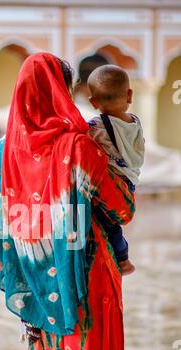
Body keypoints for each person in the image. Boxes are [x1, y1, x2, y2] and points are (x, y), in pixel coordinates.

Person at [0, 53, 135, 350]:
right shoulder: (78, 148)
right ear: (62, 92)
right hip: (86, 285)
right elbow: (122, 208)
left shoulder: (3, 150)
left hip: (34, 290)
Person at [87, 64, 145, 276]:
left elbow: (79, 141)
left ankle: (123, 259)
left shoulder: (95, 127)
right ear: (130, 95)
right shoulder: (135, 123)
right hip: (129, 181)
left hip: (111, 184)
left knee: (108, 223)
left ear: (93, 102)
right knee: (111, 222)